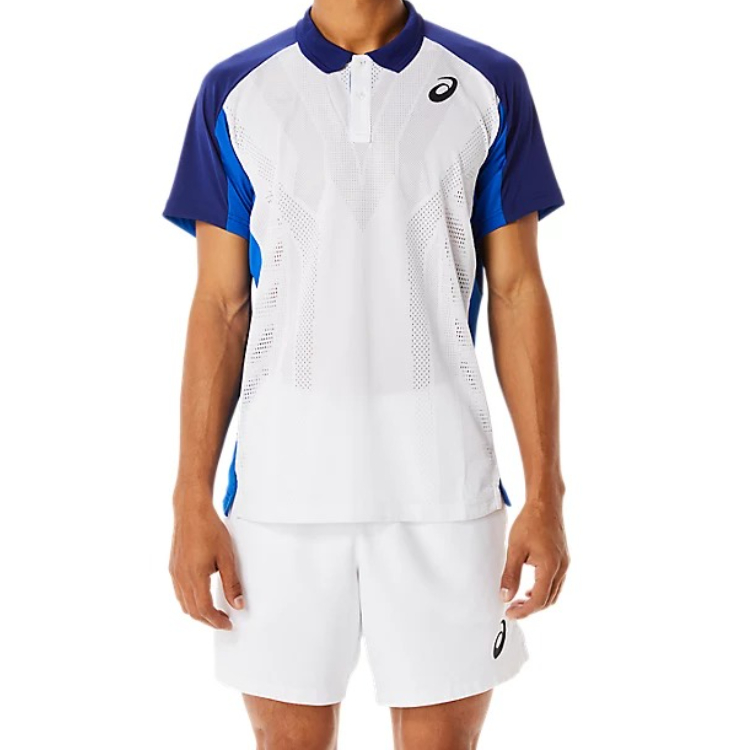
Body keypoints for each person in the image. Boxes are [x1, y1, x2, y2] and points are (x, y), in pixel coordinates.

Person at [162, 0, 569, 746]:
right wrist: (191, 498)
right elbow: (220, 305)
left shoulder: (489, 83)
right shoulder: (236, 89)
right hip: (281, 493)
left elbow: (517, 292)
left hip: (444, 490)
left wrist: (547, 494)